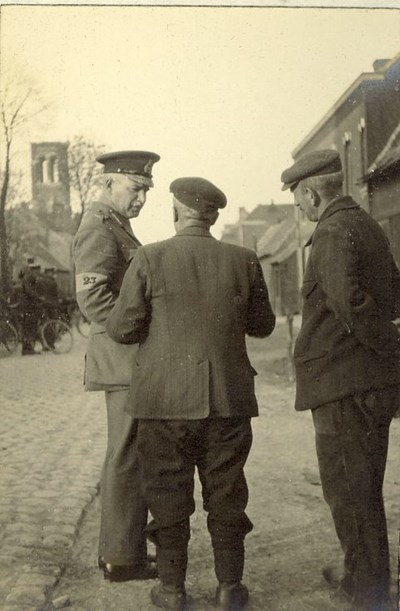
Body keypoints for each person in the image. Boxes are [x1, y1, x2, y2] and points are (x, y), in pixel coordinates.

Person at [106, 176, 276, 610]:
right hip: (228, 400)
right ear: (214, 215)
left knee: (166, 495)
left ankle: (172, 590)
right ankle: (229, 589)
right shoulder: (244, 259)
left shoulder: (149, 257)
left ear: (176, 211)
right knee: (227, 494)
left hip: (164, 403)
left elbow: (122, 328)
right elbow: (262, 325)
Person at [280, 149, 400, 611]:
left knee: (350, 490)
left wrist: (390, 349)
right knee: (361, 485)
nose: (297, 207)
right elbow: (391, 294)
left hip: (345, 386)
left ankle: (368, 593)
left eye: (297, 198)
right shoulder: (365, 224)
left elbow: (351, 305)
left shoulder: (330, 231)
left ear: (311, 193)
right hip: (366, 384)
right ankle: (360, 573)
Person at [72, 150, 160, 582]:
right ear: (107, 185)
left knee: (133, 453)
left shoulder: (117, 227)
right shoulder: (98, 228)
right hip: (122, 359)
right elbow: (93, 298)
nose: (142, 198)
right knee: (127, 454)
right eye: (136, 188)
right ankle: (121, 557)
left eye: (146, 190)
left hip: (127, 360)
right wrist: (136, 332)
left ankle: (124, 550)